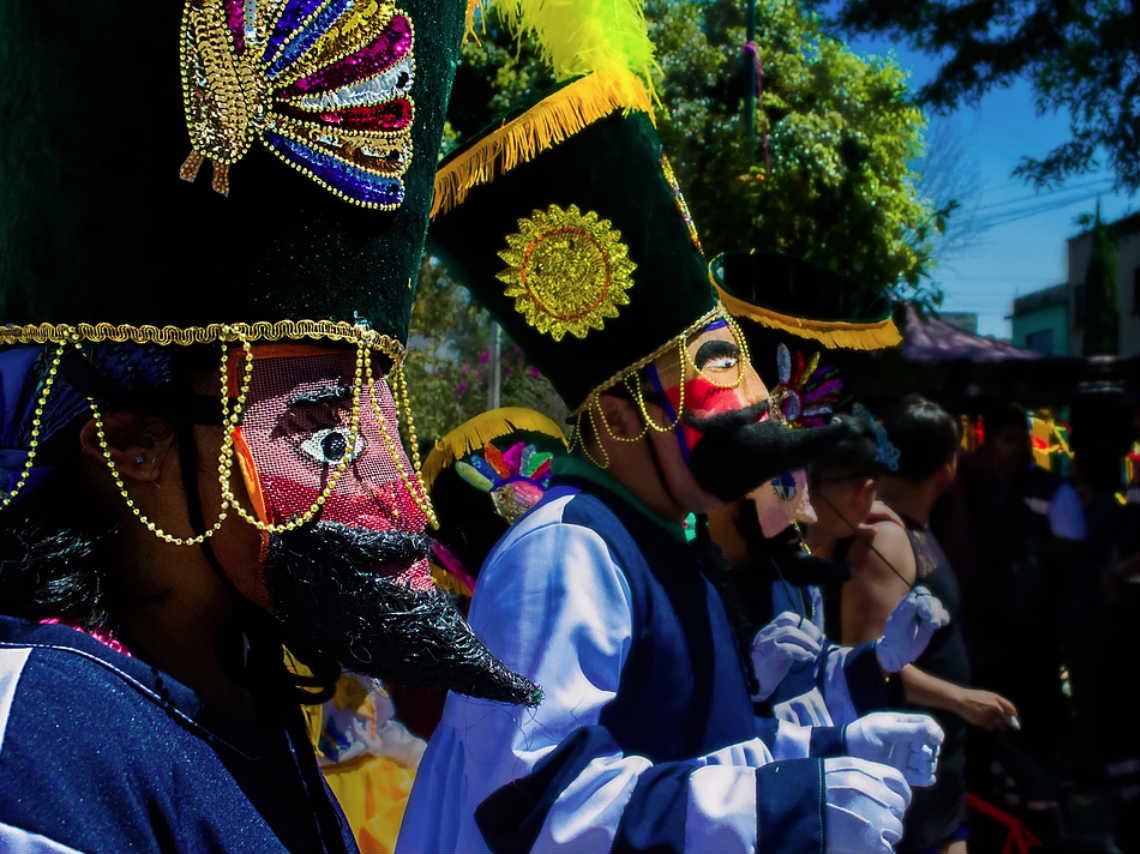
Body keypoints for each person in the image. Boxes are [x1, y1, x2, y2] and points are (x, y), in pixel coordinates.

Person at [0, 3, 538, 851]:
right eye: (331, 441)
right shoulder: (42, 742)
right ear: (135, 446)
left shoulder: (249, 690)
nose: (406, 508)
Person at [397, 22, 944, 847]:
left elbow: (702, 750)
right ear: (618, 418)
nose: (758, 403)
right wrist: (783, 808)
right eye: (723, 367)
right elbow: (531, 801)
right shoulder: (566, 550)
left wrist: (827, 747)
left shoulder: (673, 541)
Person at [706, 252, 948, 730]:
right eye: (785, 482)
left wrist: (878, 660)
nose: (810, 514)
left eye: (807, 480)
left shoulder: (796, 579)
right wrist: (740, 690)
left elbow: (814, 699)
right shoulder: (682, 584)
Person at [831, 395, 1019, 854]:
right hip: (905, 768)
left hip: (937, 764)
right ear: (947, 467)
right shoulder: (887, 537)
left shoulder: (911, 528)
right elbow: (865, 661)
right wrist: (962, 699)